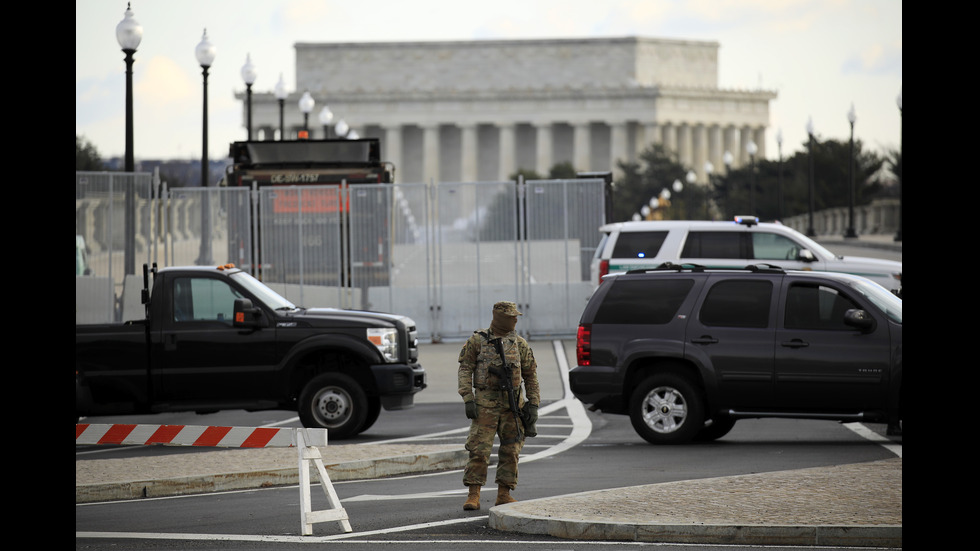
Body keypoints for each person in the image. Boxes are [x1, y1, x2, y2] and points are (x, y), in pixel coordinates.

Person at [457, 301, 540, 510]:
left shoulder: (519, 344)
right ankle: (473, 494)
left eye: (516, 317)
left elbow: (531, 376)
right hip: (485, 404)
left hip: (512, 405)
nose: (515, 320)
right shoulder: (478, 341)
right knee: (479, 449)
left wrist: (533, 404)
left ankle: (504, 493)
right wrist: (468, 397)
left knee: (511, 449)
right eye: (511, 316)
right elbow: (465, 369)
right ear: (500, 317)